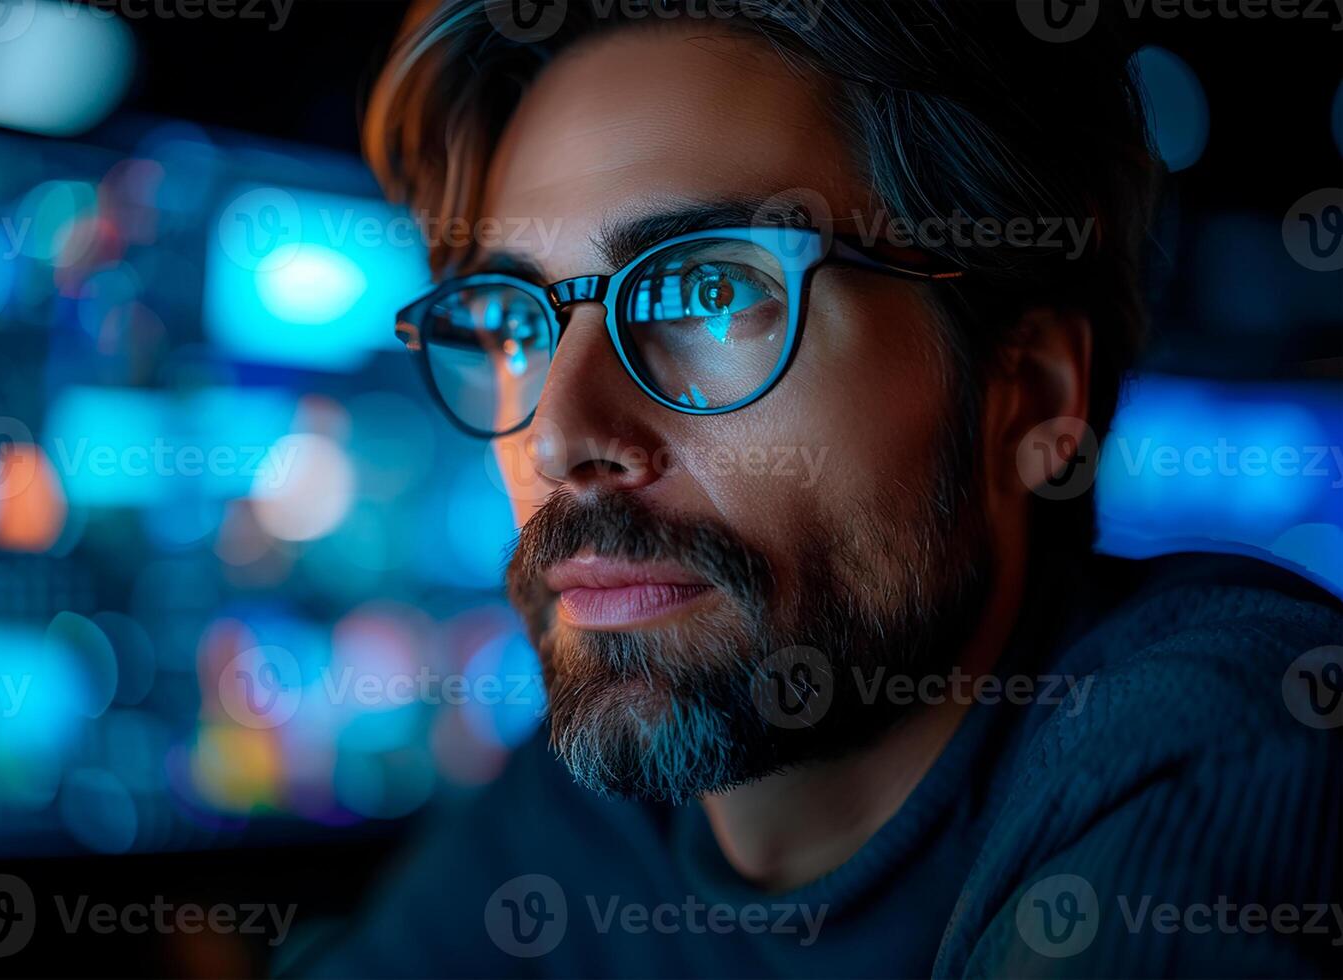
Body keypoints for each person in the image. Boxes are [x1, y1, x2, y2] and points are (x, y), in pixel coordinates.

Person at [292, 1, 1343, 974]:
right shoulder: (583, 817)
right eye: (518, 324)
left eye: (708, 290)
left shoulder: (1230, 744)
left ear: (1028, 397)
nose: (561, 434)